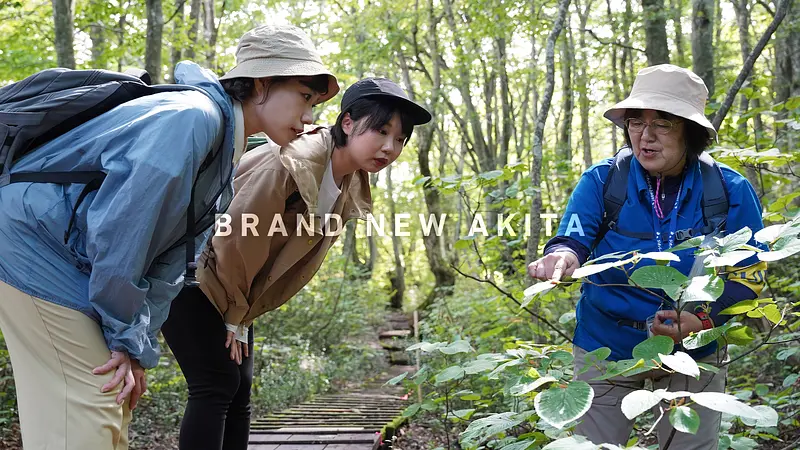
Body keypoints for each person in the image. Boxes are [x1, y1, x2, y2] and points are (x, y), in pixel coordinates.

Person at [0, 24, 337, 449]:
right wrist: (121, 335)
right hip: (33, 246)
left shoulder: (222, 142)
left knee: (111, 405)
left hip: (61, 253)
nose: (309, 118)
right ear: (262, 83)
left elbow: (170, 262)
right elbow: (124, 234)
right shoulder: (191, 121)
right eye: (306, 97)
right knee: (91, 404)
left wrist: (134, 346)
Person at [160, 77, 432, 450]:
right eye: (382, 131)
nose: (390, 147)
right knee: (217, 382)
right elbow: (234, 238)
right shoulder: (291, 162)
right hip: (191, 271)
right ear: (348, 123)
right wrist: (235, 315)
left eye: (400, 139)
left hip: (233, 291)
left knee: (239, 389)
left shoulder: (348, 180)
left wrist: (241, 313)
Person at [527, 64, 768, 449]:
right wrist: (561, 257)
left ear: (691, 131)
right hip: (603, 345)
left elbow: (748, 275)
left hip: (693, 351)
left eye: (664, 123)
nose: (646, 136)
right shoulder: (604, 181)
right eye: (636, 122)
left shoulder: (728, 190)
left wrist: (702, 319)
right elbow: (572, 239)